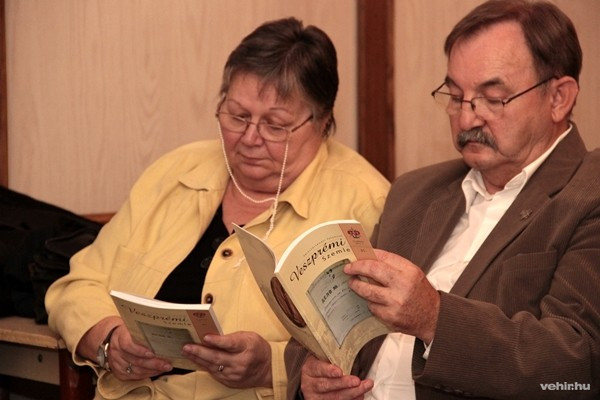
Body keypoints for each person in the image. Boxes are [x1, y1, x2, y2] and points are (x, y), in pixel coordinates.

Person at [45, 17, 389, 400]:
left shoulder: (364, 202)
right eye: (237, 116)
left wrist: (272, 366)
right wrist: (109, 339)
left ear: (322, 122)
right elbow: (76, 286)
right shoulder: (176, 173)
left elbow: (377, 350)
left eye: (275, 125)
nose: (250, 138)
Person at [286, 0, 600, 398]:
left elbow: (579, 365)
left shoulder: (588, 194)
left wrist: (435, 318)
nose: (466, 119)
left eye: (493, 98)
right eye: (455, 95)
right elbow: (327, 327)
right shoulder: (413, 192)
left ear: (558, 98)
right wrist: (311, 378)